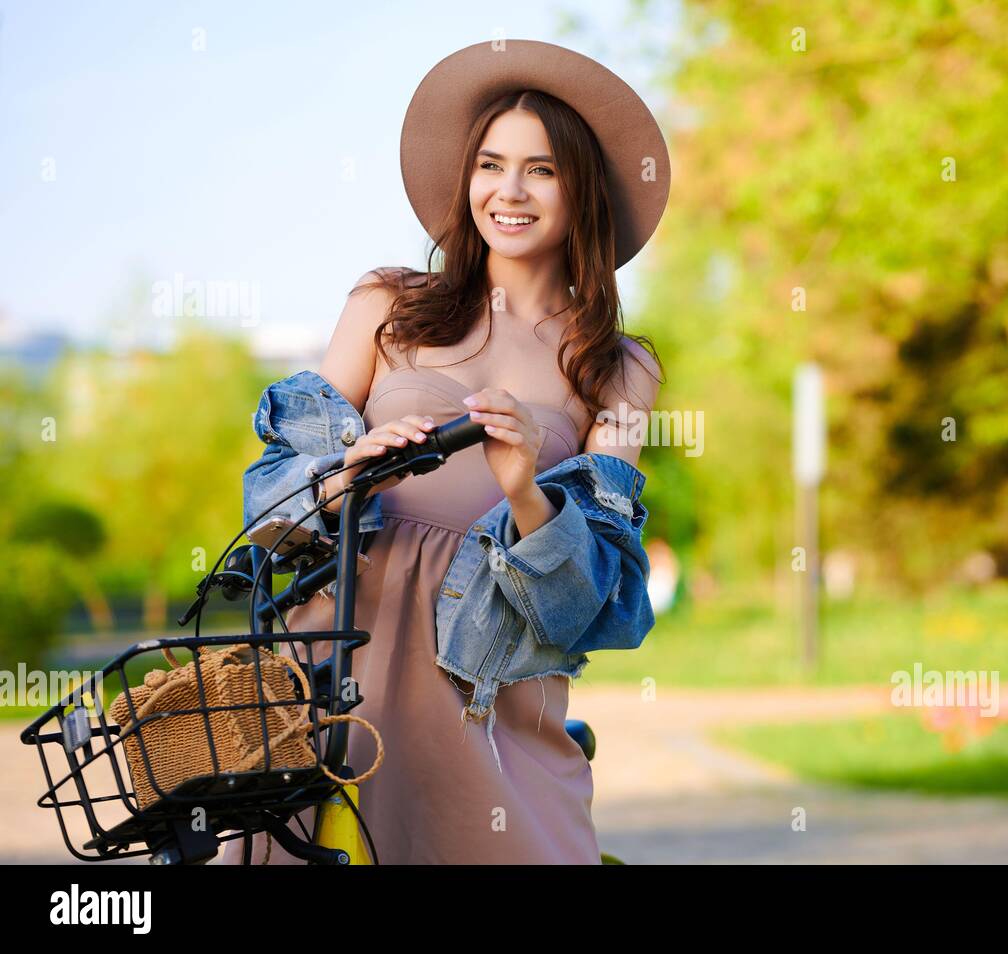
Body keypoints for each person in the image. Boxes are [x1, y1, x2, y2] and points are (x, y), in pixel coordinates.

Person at [220, 38, 671, 864]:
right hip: (340, 657)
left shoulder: (617, 365)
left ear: (583, 191)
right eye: (491, 164)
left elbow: (601, 600)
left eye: (541, 170)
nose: (509, 190)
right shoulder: (388, 305)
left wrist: (528, 490)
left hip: (487, 685)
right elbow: (268, 511)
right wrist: (343, 477)